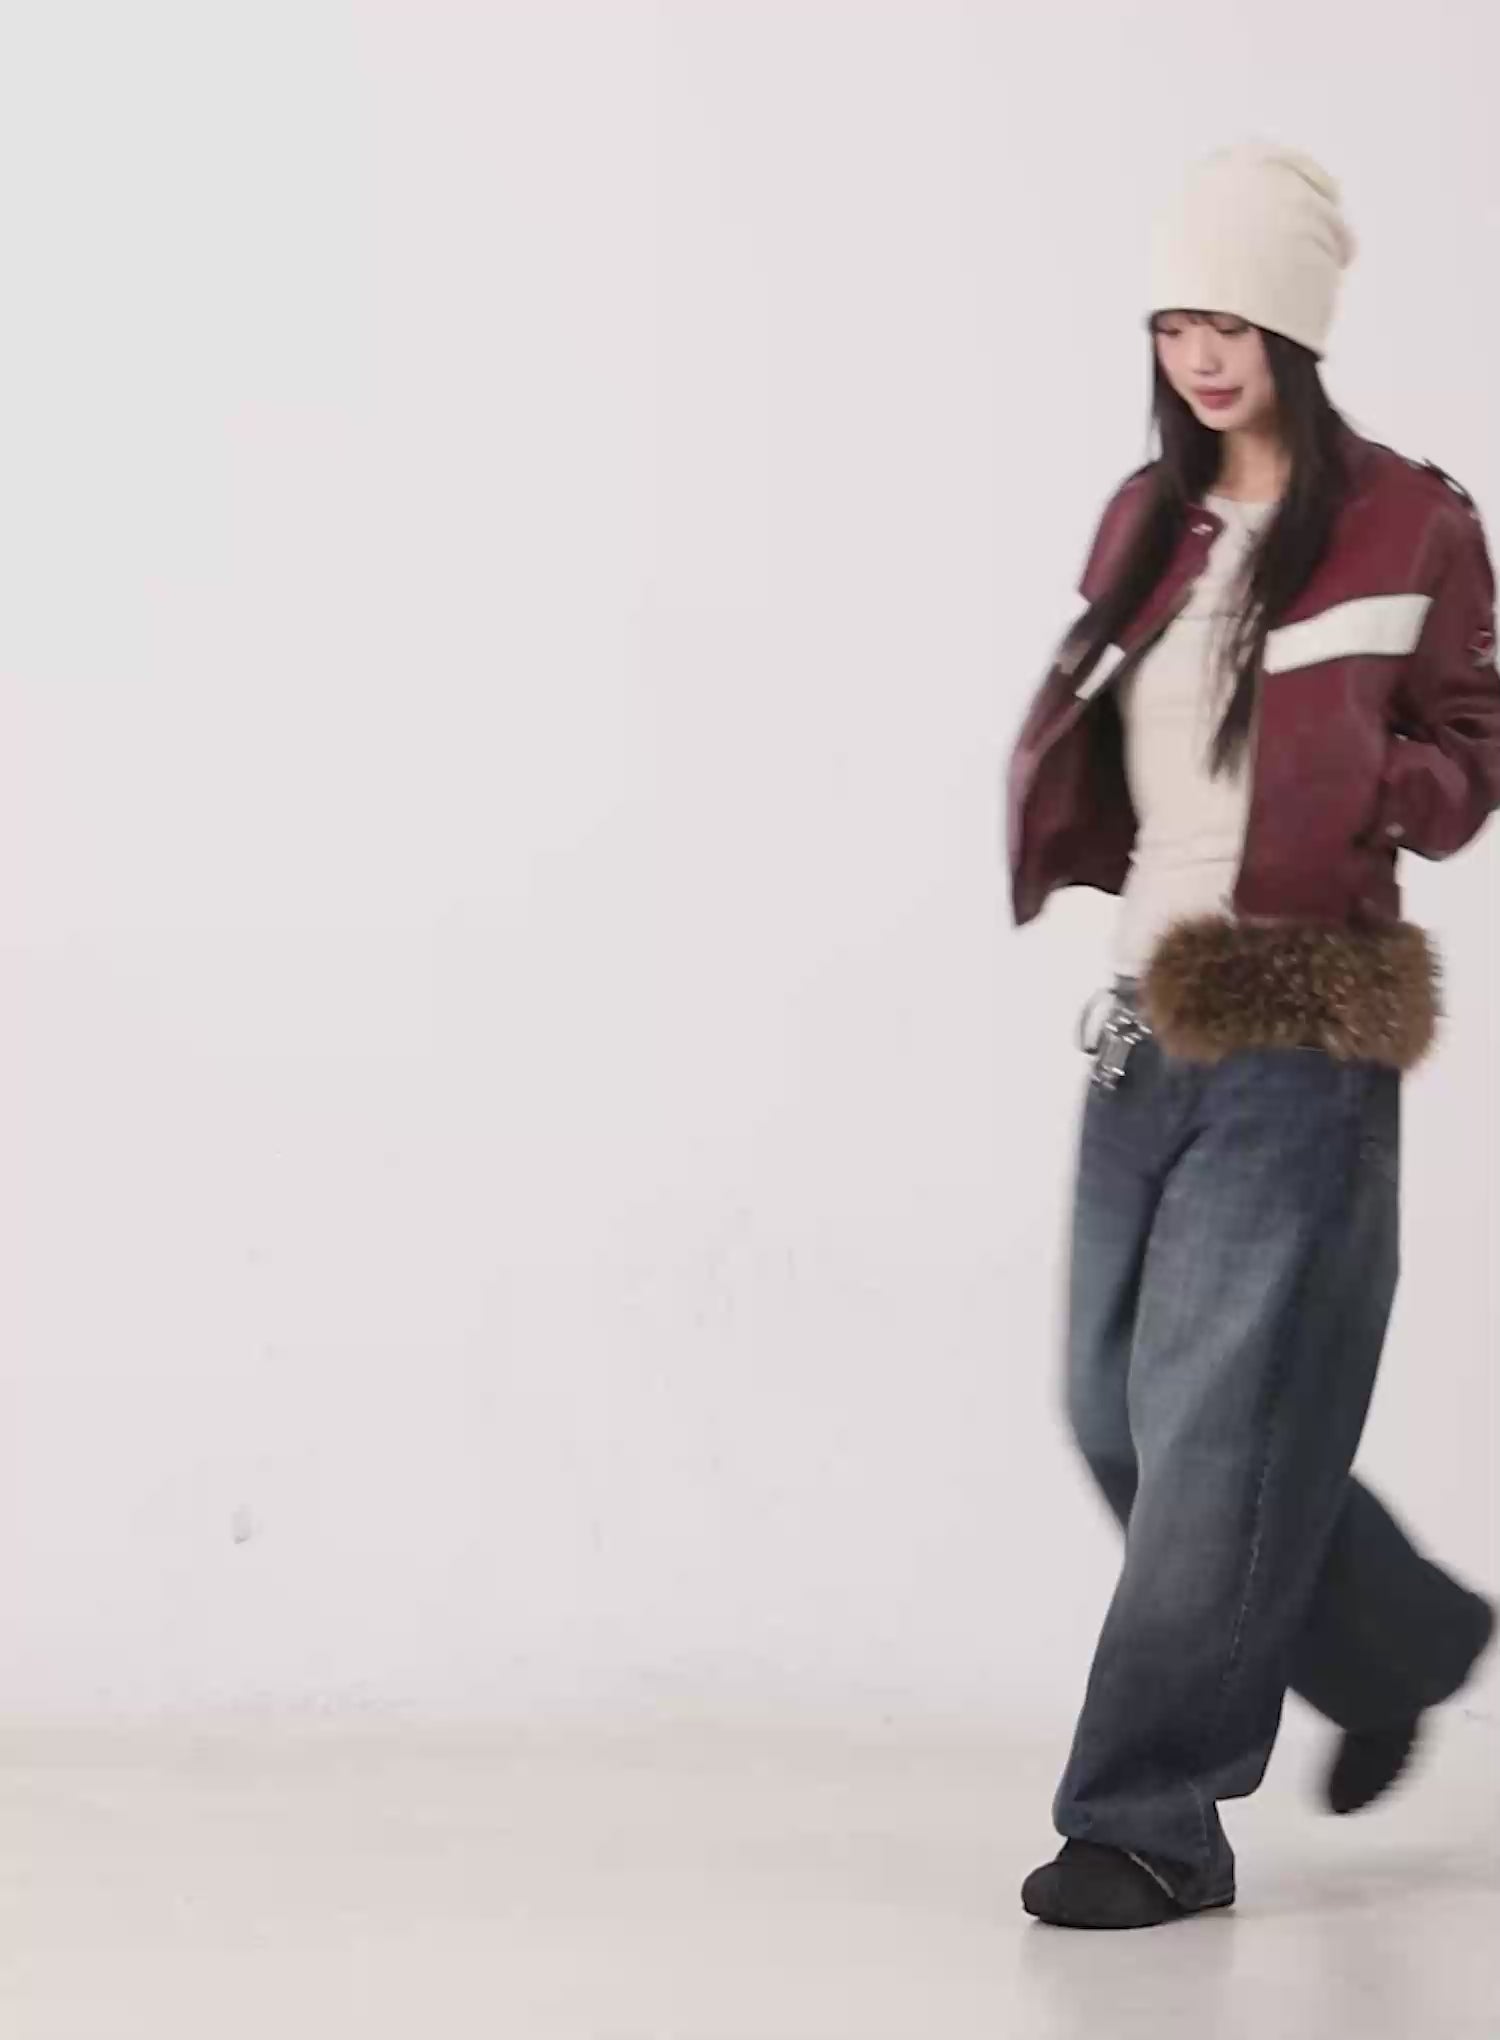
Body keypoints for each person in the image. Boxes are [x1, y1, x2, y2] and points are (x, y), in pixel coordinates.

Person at [1005, 141, 1500, 1931]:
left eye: (1232, 320)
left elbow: (1475, 745)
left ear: (1294, 327)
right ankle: (1391, 1639)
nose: (1202, 354)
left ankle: (1148, 1820)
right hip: (1144, 1024)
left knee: (1211, 1438)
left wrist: (1378, 780)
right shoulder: (1148, 521)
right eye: (1175, 322)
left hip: (1300, 1025)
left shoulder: (1409, 523)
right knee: (1113, 1413)